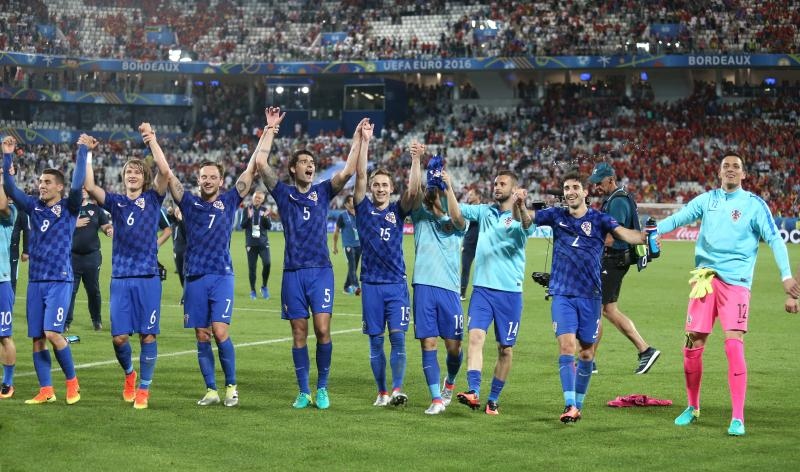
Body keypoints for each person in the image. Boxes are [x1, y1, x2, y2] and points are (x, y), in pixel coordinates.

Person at [656, 153, 800, 436]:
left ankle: (737, 417)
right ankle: (692, 406)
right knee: (691, 346)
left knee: (733, 344)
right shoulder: (707, 200)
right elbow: (678, 218)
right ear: (719, 173)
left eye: (736, 167)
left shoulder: (754, 205)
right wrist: (652, 231)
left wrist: (786, 277)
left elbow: (774, 238)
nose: (731, 170)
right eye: (726, 167)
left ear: (744, 174)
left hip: (736, 284)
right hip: (704, 281)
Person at [256, 107, 364, 410]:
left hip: (320, 272)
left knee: (323, 329)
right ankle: (304, 391)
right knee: (299, 332)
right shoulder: (282, 193)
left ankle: (323, 388)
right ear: (293, 169)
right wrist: (270, 130)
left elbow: (348, 171)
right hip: (293, 273)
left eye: (312, 163)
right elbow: (261, 162)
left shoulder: (322, 192)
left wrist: (357, 139)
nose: (310, 165)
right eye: (304, 162)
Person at [534, 171, 646, 423]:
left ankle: (578, 405)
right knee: (566, 346)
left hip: (591, 296)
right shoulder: (555, 215)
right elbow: (526, 220)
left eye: (575, 187)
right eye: (566, 187)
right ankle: (570, 404)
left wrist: (648, 235)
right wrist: (519, 206)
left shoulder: (600, 219)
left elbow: (629, 235)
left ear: (585, 192)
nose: (570, 191)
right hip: (562, 293)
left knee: (586, 353)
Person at [170, 126, 261, 409]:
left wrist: (267, 132)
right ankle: (210, 389)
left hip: (221, 275)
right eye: (203, 177)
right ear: (198, 180)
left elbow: (252, 168)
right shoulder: (189, 202)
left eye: (212, 177)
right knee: (201, 334)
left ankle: (231, 387)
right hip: (194, 276)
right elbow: (167, 174)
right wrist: (152, 142)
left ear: (221, 181)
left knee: (220, 332)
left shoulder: (230, 200)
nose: (207, 181)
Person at [83, 124, 171, 409]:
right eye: (127, 172)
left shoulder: (152, 198)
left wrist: (151, 141)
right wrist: (87, 154)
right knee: (119, 337)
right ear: (123, 178)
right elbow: (90, 186)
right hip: (121, 277)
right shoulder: (117, 203)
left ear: (144, 178)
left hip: (147, 277)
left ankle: (144, 389)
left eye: (136, 172)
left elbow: (165, 173)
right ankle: (130, 375)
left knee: (148, 334)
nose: (132, 175)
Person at [2, 134, 87, 405]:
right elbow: (12, 190)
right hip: (35, 280)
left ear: (59, 187)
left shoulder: (69, 207)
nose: (42, 186)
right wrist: (7, 156)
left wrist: (83, 151)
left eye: (47, 182)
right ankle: (46, 389)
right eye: (40, 182)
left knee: (53, 333)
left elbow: (77, 184)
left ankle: (72, 384)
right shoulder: (34, 207)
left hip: (59, 280)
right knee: (38, 338)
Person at [455, 170, 535, 415]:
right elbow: (457, 209)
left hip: (510, 293)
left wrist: (520, 206)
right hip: (482, 289)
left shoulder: (522, 216)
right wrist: (445, 187)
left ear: (514, 189)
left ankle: (493, 399)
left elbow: (526, 225)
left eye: (502, 183)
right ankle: (474, 391)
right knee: (475, 337)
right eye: (495, 183)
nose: (497, 186)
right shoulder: (484, 211)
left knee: (505, 349)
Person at [354, 122, 414, 408]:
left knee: (399, 338)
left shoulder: (397, 211)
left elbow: (413, 192)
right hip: (371, 285)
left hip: (396, 285)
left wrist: (416, 161)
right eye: (376, 185)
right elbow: (359, 176)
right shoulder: (362, 209)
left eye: (384, 185)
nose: (379, 188)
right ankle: (381, 392)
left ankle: (398, 388)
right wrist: (365, 141)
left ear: (391, 189)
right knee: (376, 342)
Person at [407, 143, 466, 415]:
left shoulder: (455, 211)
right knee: (427, 342)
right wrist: (417, 161)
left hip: (450, 288)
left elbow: (457, 220)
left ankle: (450, 383)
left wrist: (448, 188)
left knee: (454, 348)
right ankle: (436, 398)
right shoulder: (419, 213)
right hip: (424, 285)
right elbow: (412, 192)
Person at [588, 162, 660, 374]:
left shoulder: (617, 201)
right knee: (608, 310)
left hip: (613, 260)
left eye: (599, 183)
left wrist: (587, 241)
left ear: (610, 179)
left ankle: (588, 360)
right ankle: (645, 350)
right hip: (616, 261)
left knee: (597, 310)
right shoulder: (616, 198)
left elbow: (613, 236)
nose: (596, 187)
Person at [65, 188, 112, 332]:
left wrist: (108, 229)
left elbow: (105, 225)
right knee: (70, 291)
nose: (83, 190)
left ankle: (97, 320)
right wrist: (74, 223)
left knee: (93, 290)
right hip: (73, 257)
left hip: (92, 257)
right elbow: (57, 226)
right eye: (81, 188)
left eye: (86, 188)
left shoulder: (96, 209)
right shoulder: (68, 209)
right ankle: (66, 322)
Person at [0, 160, 18, 399]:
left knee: (4, 335)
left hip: (2, 282)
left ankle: (8, 382)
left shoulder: (9, 214)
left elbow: (2, 203)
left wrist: (3, 176)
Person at [240, 190, 272, 300]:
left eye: (259, 198)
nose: (257, 199)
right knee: (252, 268)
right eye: (255, 197)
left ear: (262, 200)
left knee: (267, 263)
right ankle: (253, 290)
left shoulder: (265, 210)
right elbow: (242, 225)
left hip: (263, 243)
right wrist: (248, 218)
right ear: (253, 198)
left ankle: (264, 287)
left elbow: (269, 227)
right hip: (251, 243)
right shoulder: (247, 209)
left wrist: (265, 218)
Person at [332, 194, 360, 295]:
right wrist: (334, 246)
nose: (354, 202)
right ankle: (356, 287)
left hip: (358, 245)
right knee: (352, 266)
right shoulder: (342, 216)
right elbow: (336, 232)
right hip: (348, 245)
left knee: (354, 267)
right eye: (352, 201)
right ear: (346, 204)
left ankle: (346, 287)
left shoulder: (358, 214)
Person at [459, 188, 481, 301]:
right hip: (468, 244)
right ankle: (462, 293)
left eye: (471, 194)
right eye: (468, 194)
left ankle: (483, 294)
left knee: (483, 270)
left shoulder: (483, 210)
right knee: (465, 269)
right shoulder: (467, 210)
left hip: (482, 244)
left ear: (477, 196)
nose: (469, 196)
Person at [167, 205, 187, 299]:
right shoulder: (175, 222)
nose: (177, 211)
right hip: (177, 252)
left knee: (185, 273)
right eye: (177, 210)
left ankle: (186, 296)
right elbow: (170, 218)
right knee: (180, 275)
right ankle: (185, 291)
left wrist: (181, 219)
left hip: (186, 251)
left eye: (179, 210)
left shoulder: (185, 222)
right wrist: (170, 213)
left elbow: (185, 230)